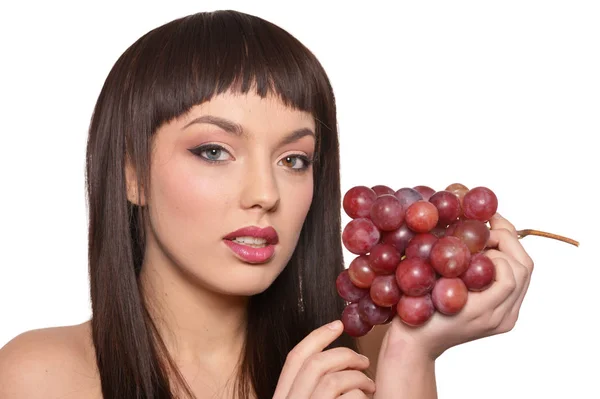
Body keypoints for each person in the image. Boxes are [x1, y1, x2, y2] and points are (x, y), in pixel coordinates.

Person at [0, 9, 534, 399]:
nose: (265, 194)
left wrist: (411, 355)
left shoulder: (364, 362)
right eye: (214, 151)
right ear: (130, 176)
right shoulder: (41, 377)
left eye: (294, 160)